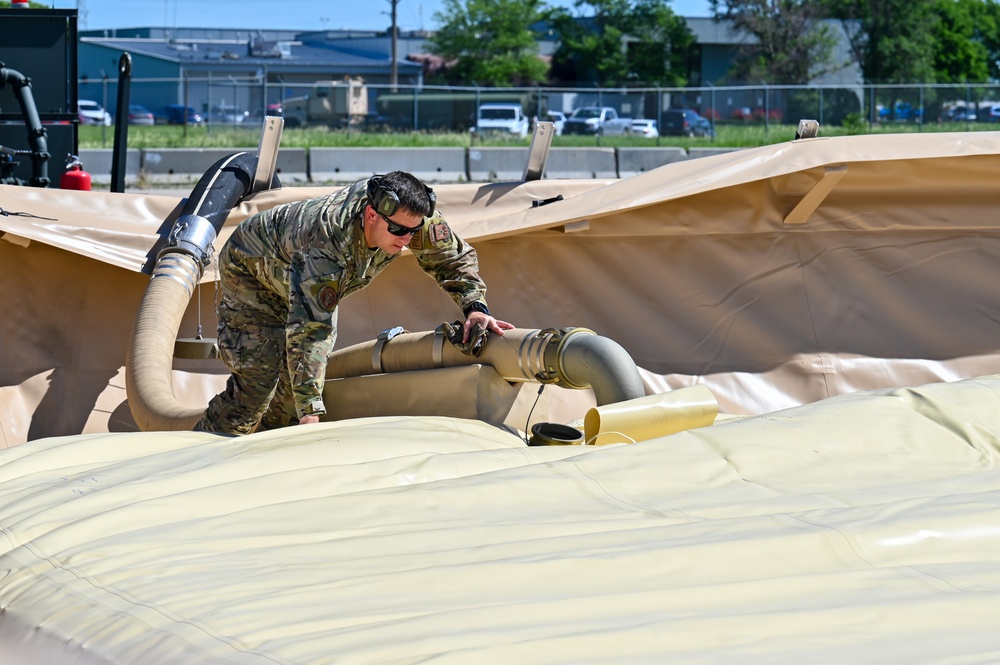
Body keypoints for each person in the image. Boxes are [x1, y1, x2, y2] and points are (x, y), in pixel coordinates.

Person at [195, 171, 514, 435]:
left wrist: (476, 307)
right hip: (252, 273)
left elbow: (452, 260)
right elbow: (311, 329)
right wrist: (310, 412)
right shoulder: (329, 241)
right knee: (257, 386)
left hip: (296, 274)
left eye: (413, 232)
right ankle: (195, 457)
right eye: (399, 231)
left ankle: (265, 460)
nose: (406, 240)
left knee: (290, 395)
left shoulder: (411, 218)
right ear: (371, 214)